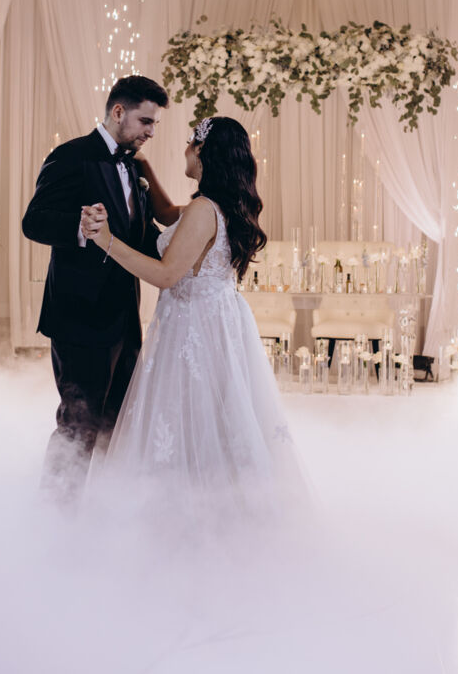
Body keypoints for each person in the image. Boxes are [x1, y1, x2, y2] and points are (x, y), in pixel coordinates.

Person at [81, 116, 306, 515]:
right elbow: (169, 212)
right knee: (216, 417)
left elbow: (166, 275)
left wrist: (106, 240)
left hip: (192, 327)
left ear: (203, 152)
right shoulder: (222, 205)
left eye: (190, 142)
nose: (184, 148)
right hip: (217, 321)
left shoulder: (203, 209)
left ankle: (188, 513)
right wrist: (142, 165)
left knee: (189, 416)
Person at [21, 75, 168, 502]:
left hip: (124, 321)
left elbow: (140, 235)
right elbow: (34, 222)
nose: (151, 132)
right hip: (79, 319)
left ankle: (100, 515)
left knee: (115, 424)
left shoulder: (134, 167)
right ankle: (56, 515)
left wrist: (190, 248)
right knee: (78, 425)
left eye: (154, 124)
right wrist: (80, 227)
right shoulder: (71, 156)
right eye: (145, 121)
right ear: (118, 112)